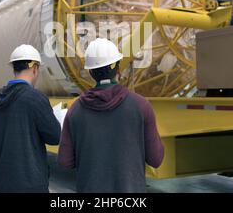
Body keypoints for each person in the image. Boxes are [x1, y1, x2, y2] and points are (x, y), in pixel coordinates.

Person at [58, 38, 165, 193]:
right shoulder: (141, 105)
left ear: (90, 72)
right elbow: (156, 159)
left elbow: (64, 162)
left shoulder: (75, 111)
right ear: (118, 69)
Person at [0, 44, 61, 193]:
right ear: (35, 68)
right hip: (31, 185)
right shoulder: (35, 99)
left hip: (1, 185)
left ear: (14, 68)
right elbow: (55, 137)